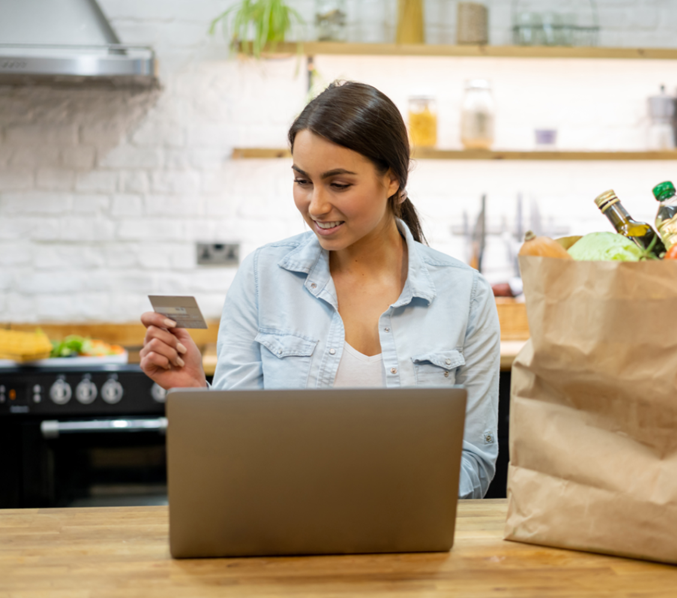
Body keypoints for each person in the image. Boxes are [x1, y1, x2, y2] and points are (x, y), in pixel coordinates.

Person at [139, 81, 501, 499]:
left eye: (339, 184)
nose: (316, 206)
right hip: (283, 536)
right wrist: (195, 393)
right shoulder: (262, 277)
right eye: (302, 181)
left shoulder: (466, 295)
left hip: (412, 544)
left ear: (393, 180)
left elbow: (473, 459)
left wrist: (390, 505)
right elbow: (236, 452)